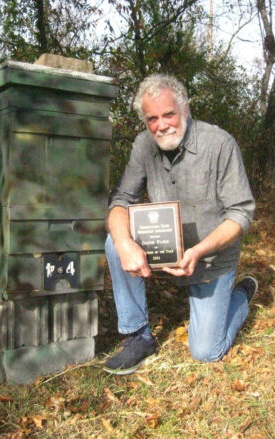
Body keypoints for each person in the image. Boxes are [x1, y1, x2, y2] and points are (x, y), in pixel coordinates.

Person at [103, 73, 257, 375]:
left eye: (169, 114)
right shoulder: (143, 146)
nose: (162, 125)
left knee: (205, 352)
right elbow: (120, 201)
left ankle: (241, 294)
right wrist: (124, 243)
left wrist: (198, 251)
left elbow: (241, 213)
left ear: (185, 108)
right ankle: (138, 335)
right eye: (152, 118)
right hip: (163, 246)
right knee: (114, 240)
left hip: (210, 258)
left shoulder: (220, 144)